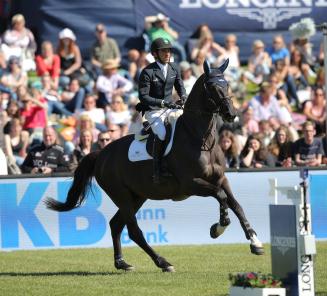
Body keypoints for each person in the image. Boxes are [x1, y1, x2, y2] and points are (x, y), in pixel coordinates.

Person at [138, 38, 187, 183]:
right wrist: (163, 102)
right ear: (155, 53)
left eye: (169, 50)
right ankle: (157, 170)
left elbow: (180, 86)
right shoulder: (147, 72)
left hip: (170, 107)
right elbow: (143, 97)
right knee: (162, 133)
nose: (167, 53)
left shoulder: (174, 67)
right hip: (153, 110)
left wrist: (183, 96)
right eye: (164, 51)